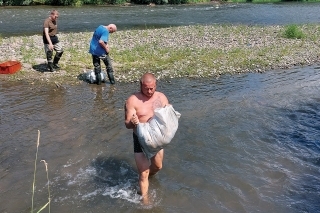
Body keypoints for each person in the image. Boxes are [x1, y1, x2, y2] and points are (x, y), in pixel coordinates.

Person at [124, 73, 169, 203]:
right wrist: (133, 122)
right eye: (146, 88)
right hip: (140, 138)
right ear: (140, 86)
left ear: (155, 85)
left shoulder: (161, 97)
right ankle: (145, 203)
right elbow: (127, 124)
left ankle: (147, 178)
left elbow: (168, 114)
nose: (149, 91)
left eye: (152, 88)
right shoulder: (132, 100)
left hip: (156, 138)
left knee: (157, 167)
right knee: (143, 172)